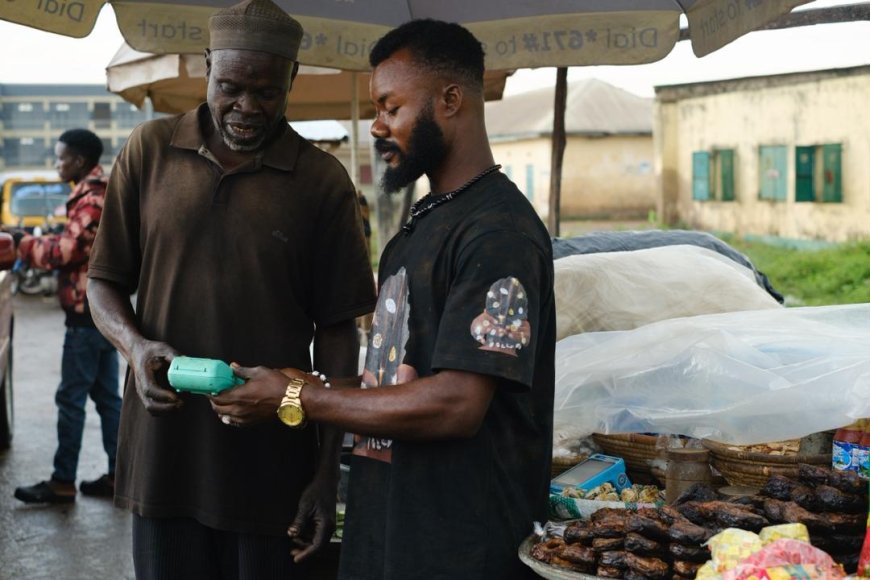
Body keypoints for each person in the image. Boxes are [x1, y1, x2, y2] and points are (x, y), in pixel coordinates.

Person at [218, 19, 556, 579]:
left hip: (460, 549)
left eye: (390, 108)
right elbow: (401, 380)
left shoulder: (498, 234)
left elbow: (456, 403)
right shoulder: (420, 227)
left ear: (450, 100)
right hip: (389, 533)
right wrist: (300, 387)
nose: (377, 126)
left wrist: (300, 396)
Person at [85, 0, 376, 577]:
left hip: (272, 464)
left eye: (266, 92)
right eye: (230, 87)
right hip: (164, 453)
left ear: (291, 79)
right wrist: (135, 348)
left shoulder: (322, 181)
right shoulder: (149, 151)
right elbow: (103, 283)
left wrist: (325, 474)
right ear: (208, 65)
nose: (246, 107)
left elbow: (338, 333)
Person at [14, 129, 121, 504]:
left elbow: (65, 250)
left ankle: (62, 482)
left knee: (71, 400)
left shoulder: (92, 199)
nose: (57, 164)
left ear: (79, 160)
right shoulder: (97, 193)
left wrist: (21, 243)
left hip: (85, 316)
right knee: (108, 399)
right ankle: (119, 476)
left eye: (61, 158)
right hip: (100, 313)